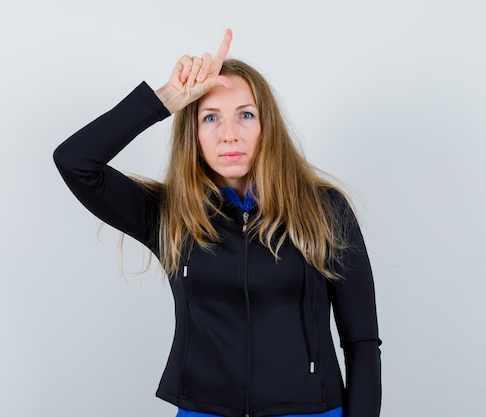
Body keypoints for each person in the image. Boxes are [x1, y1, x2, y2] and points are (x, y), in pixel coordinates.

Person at [53, 29, 381, 417]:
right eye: (210, 117)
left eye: (245, 115)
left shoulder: (324, 209)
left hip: (310, 412)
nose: (229, 135)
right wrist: (166, 99)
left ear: (266, 126)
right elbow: (75, 161)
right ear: (192, 132)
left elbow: (360, 341)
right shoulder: (171, 214)